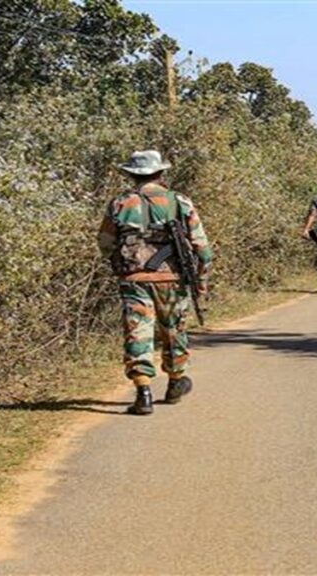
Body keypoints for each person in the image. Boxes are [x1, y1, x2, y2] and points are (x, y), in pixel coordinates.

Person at [98, 150, 213, 416]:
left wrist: (123, 262)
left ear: (131, 175)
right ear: (161, 173)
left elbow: (105, 244)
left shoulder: (119, 203)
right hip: (171, 279)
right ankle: (175, 384)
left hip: (133, 279)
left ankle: (143, 393)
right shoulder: (180, 202)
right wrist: (201, 281)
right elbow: (203, 249)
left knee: (137, 331)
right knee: (174, 331)